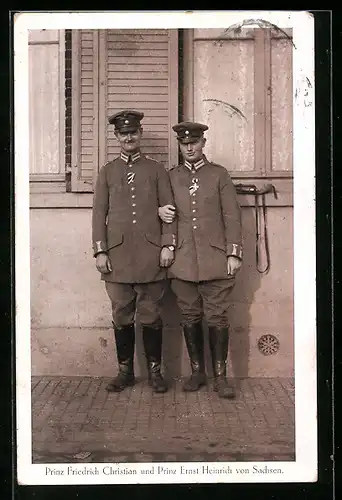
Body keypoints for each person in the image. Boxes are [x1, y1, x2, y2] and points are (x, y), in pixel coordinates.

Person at [92, 110, 176, 394]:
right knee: (121, 314)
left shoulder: (156, 170)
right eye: (123, 133)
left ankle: (155, 372)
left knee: (151, 315)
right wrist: (100, 251)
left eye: (133, 132)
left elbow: (170, 212)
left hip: (151, 256)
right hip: (117, 258)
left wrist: (167, 245)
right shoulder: (107, 172)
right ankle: (125, 372)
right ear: (116, 137)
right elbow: (98, 215)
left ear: (140, 135)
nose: (129, 137)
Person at [158, 121, 242, 399]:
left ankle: (221, 378)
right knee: (189, 315)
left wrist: (233, 253)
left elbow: (232, 216)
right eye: (184, 144)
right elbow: (168, 217)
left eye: (194, 142)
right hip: (182, 260)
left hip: (216, 259)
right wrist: (167, 240)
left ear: (203, 143)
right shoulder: (171, 177)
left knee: (217, 316)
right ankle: (197, 373)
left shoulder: (219, 175)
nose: (189, 147)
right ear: (179, 146)